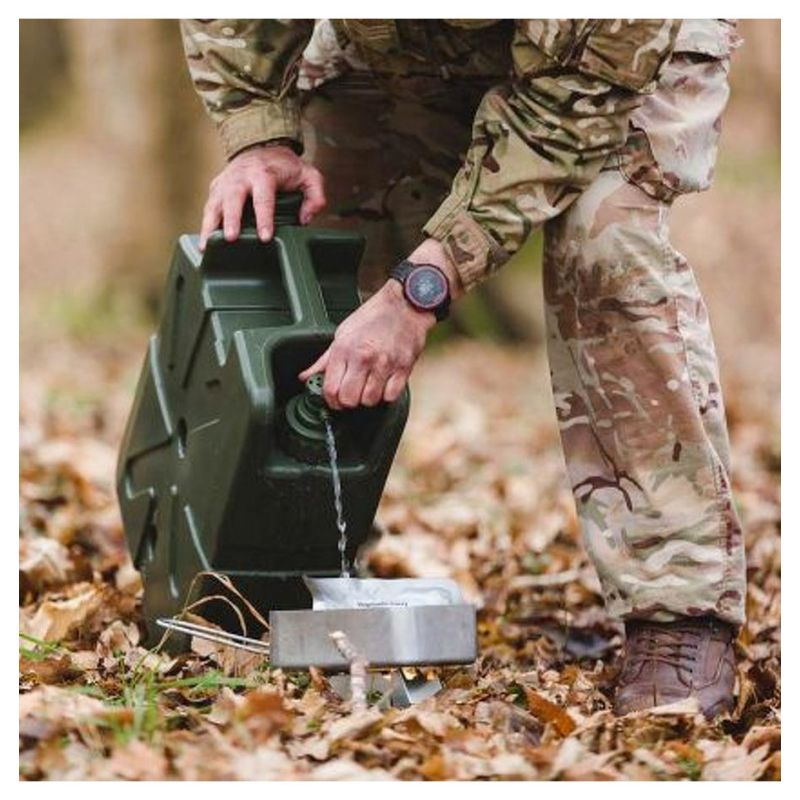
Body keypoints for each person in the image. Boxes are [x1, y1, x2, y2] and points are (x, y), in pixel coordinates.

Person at [180, 19, 745, 718]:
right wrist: (257, 134)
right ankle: (282, 563)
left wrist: (420, 288)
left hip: (605, 68)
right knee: (307, 229)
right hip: (397, 47)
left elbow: (565, 117)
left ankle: (678, 608)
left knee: (606, 242)